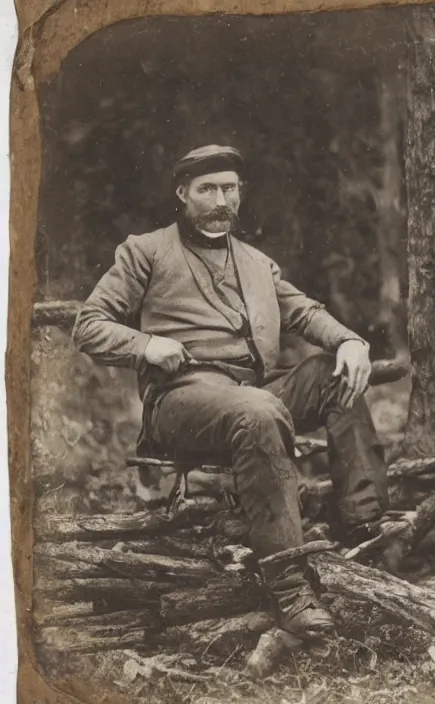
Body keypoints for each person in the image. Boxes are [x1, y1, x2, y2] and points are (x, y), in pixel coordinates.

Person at [72, 145, 390, 640]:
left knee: (334, 374)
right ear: (182, 193)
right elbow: (88, 326)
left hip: (253, 392)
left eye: (230, 188)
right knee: (258, 410)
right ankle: (289, 588)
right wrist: (147, 344)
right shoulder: (146, 251)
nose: (221, 200)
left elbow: (304, 313)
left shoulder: (258, 263)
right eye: (207, 189)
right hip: (181, 398)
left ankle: (364, 530)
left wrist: (350, 340)